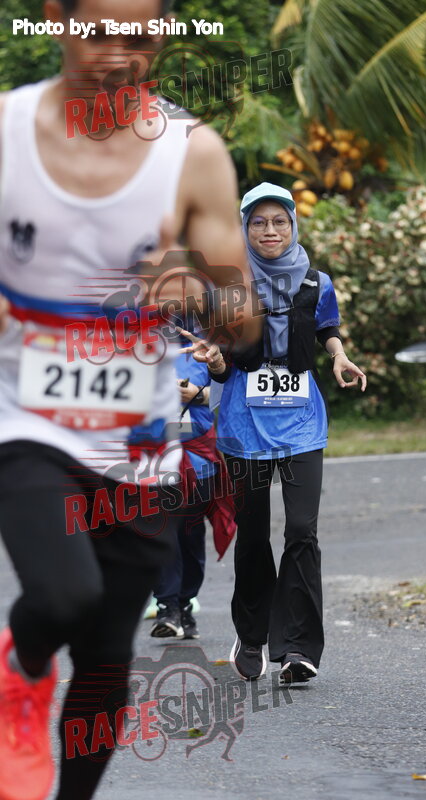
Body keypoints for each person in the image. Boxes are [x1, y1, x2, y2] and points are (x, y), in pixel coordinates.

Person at [0, 2, 259, 799]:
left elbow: (243, 323)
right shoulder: (8, 132)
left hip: (139, 443)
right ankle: (19, 665)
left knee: (108, 653)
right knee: (64, 594)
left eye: (140, 39)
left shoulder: (192, 154)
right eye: (97, 33)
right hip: (26, 421)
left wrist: (198, 286)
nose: (117, 55)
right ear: (57, 19)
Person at [184, 182, 367, 684]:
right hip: (244, 426)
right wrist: (212, 364)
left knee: (302, 529)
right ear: (245, 228)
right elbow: (219, 362)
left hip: (303, 423)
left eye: (279, 221)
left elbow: (326, 327)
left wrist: (339, 356)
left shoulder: (316, 281)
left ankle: (300, 647)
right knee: (253, 531)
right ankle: (252, 633)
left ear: (293, 224)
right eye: (259, 222)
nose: (270, 231)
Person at [150, 334, 237, 639]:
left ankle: (185, 603)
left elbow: (231, 389)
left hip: (198, 456)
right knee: (161, 530)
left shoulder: (205, 345)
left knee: (190, 534)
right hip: (154, 456)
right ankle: (167, 607)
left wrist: (196, 395)